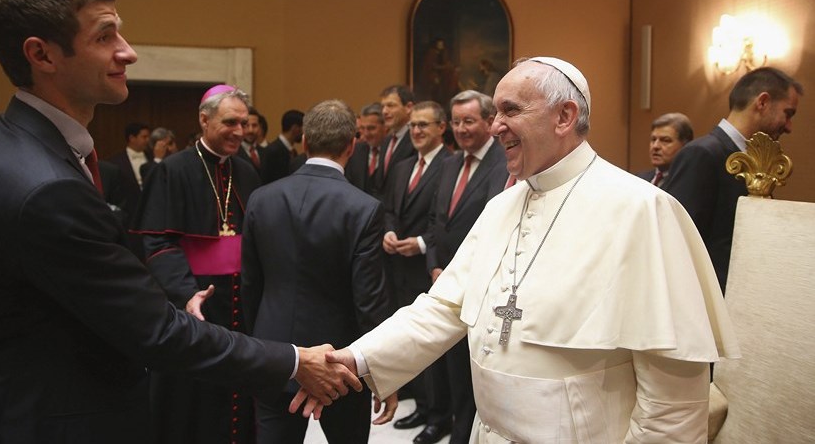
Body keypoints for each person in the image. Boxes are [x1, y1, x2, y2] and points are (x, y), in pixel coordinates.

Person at [0, 0, 359, 443]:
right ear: (42, 54)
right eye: (104, 37)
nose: (128, 52)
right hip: (46, 417)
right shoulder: (46, 185)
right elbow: (156, 329)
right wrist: (293, 359)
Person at [299, 57, 740, 442]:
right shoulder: (501, 206)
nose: (495, 127)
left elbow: (674, 399)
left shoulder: (642, 210)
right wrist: (353, 360)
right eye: (494, 113)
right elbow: (441, 309)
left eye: (509, 111)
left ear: (564, 116)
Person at [241, 99, 397, 444]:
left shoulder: (261, 199)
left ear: (306, 143)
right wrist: (385, 373)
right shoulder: (364, 208)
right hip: (340, 362)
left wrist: (258, 345)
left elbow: (250, 284)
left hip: (275, 350)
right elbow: (369, 300)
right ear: (351, 146)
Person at [134, 84, 268, 443]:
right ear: (204, 119)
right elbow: (157, 241)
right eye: (230, 122)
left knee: (238, 393)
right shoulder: (172, 170)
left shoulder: (247, 171)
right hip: (195, 304)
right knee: (192, 399)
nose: (240, 131)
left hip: (240, 304)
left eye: (244, 122)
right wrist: (186, 292)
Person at [663, 67, 802, 294]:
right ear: (763, 102)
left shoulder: (754, 160)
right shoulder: (703, 154)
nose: (789, 126)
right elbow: (676, 241)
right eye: (788, 113)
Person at [422, 90, 504, 444]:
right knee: (449, 366)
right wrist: (434, 265)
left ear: (489, 122)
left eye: (469, 121)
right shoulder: (449, 163)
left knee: (472, 373)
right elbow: (435, 221)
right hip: (443, 279)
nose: (461, 129)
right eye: (455, 122)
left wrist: (460, 273)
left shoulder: (503, 164)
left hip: (479, 285)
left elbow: (493, 225)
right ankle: (449, 424)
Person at [382, 100, 451, 435]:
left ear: (442, 127)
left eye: (424, 125)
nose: (417, 131)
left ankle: (435, 413)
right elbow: (390, 208)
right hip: (397, 266)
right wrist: (389, 231)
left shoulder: (451, 165)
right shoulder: (402, 166)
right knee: (406, 338)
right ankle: (420, 402)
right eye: (413, 126)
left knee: (429, 344)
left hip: (428, 266)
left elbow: (444, 220)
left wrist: (421, 244)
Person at [375, 85, 418, 198]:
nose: (384, 111)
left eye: (390, 105)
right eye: (383, 106)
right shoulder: (387, 140)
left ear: (409, 107)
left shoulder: (417, 140)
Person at [635, 112, 693, 187]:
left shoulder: (690, 184)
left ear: (685, 145)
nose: (655, 146)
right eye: (653, 139)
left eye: (665, 140)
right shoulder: (639, 179)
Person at [344, 102, 386, 197]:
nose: (366, 134)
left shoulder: (392, 153)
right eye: (363, 128)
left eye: (371, 128)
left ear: (385, 127)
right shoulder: (354, 151)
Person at [261, 109, 303, 183]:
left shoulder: (293, 152)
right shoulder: (271, 152)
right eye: (303, 128)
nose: (303, 133)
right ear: (295, 128)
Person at [238, 106, 265, 174]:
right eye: (247, 125)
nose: (251, 130)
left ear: (260, 127)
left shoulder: (265, 152)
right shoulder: (233, 154)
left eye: (254, 125)